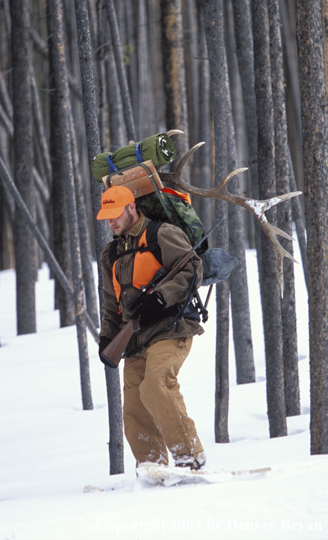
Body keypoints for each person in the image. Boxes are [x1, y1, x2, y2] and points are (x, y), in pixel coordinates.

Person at [96, 184, 206, 471]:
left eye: (115, 214)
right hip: (134, 338)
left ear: (131, 208)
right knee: (134, 406)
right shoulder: (110, 254)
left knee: (156, 385)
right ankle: (152, 467)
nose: (111, 221)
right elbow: (111, 303)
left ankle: (190, 457)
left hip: (172, 326)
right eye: (106, 216)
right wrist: (107, 336)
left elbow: (193, 268)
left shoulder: (161, 233)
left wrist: (160, 297)